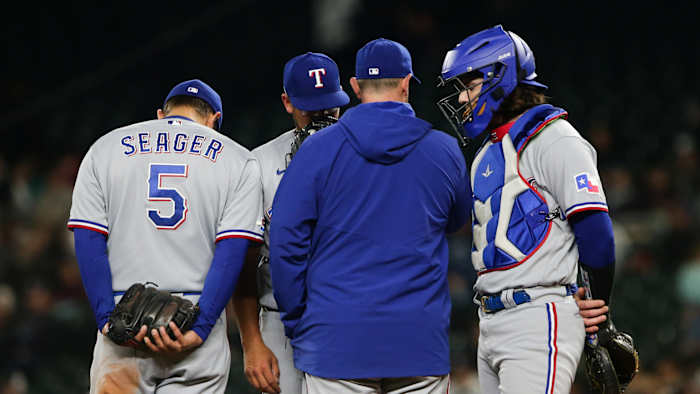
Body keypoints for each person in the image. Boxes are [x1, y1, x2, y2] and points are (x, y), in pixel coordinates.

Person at [269, 38, 471, 394]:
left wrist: (299, 320)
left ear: (354, 86)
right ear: (407, 83)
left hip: (334, 340)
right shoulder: (444, 149)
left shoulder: (317, 149)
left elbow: (285, 244)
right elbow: (457, 222)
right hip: (418, 343)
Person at [436, 25, 616, 393]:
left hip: (538, 315)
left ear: (498, 80)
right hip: (490, 320)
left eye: (468, 86)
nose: (460, 100)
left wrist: (600, 309)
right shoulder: (487, 152)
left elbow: (595, 229)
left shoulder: (555, 138)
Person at [67, 79, 263, 393]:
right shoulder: (238, 160)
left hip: (123, 322)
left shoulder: (105, 148)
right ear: (215, 121)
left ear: (161, 114)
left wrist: (106, 318)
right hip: (195, 320)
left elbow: (88, 238)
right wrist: (199, 329)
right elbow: (232, 251)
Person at [232, 52, 350, 394]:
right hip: (278, 322)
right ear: (287, 102)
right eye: (311, 111)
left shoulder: (366, 152)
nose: (322, 119)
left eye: (330, 109)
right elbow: (244, 261)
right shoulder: (259, 163)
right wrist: (252, 342)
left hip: (348, 318)